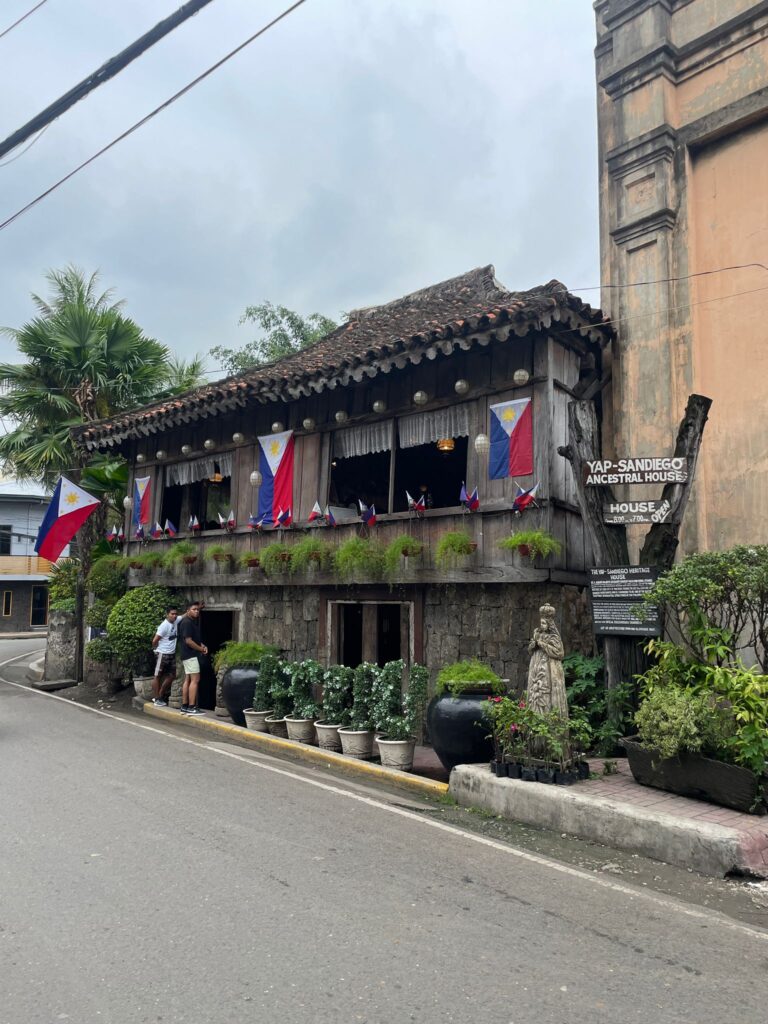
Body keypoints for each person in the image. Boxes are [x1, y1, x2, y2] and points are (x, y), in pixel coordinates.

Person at [177, 599, 207, 715]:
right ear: (188, 611)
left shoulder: (190, 621)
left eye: (198, 610)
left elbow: (194, 639)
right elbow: (188, 641)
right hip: (190, 655)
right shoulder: (187, 622)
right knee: (195, 680)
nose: (197, 612)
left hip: (187, 655)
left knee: (188, 679)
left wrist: (202, 645)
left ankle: (185, 706)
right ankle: (191, 707)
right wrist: (201, 649)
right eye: (194, 610)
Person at [151, 605, 179, 707]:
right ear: (167, 614)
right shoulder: (164, 626)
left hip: (171, 654)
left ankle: (161, 693)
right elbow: (154, 640)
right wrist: (156, 651)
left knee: (172, 675)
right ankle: (157, 698)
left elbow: (185, 615)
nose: (174, 616)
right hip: (162, 654)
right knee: (157, 675)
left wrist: (198, 607)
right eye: (172, 614)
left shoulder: (176, 621)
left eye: (176, 614)